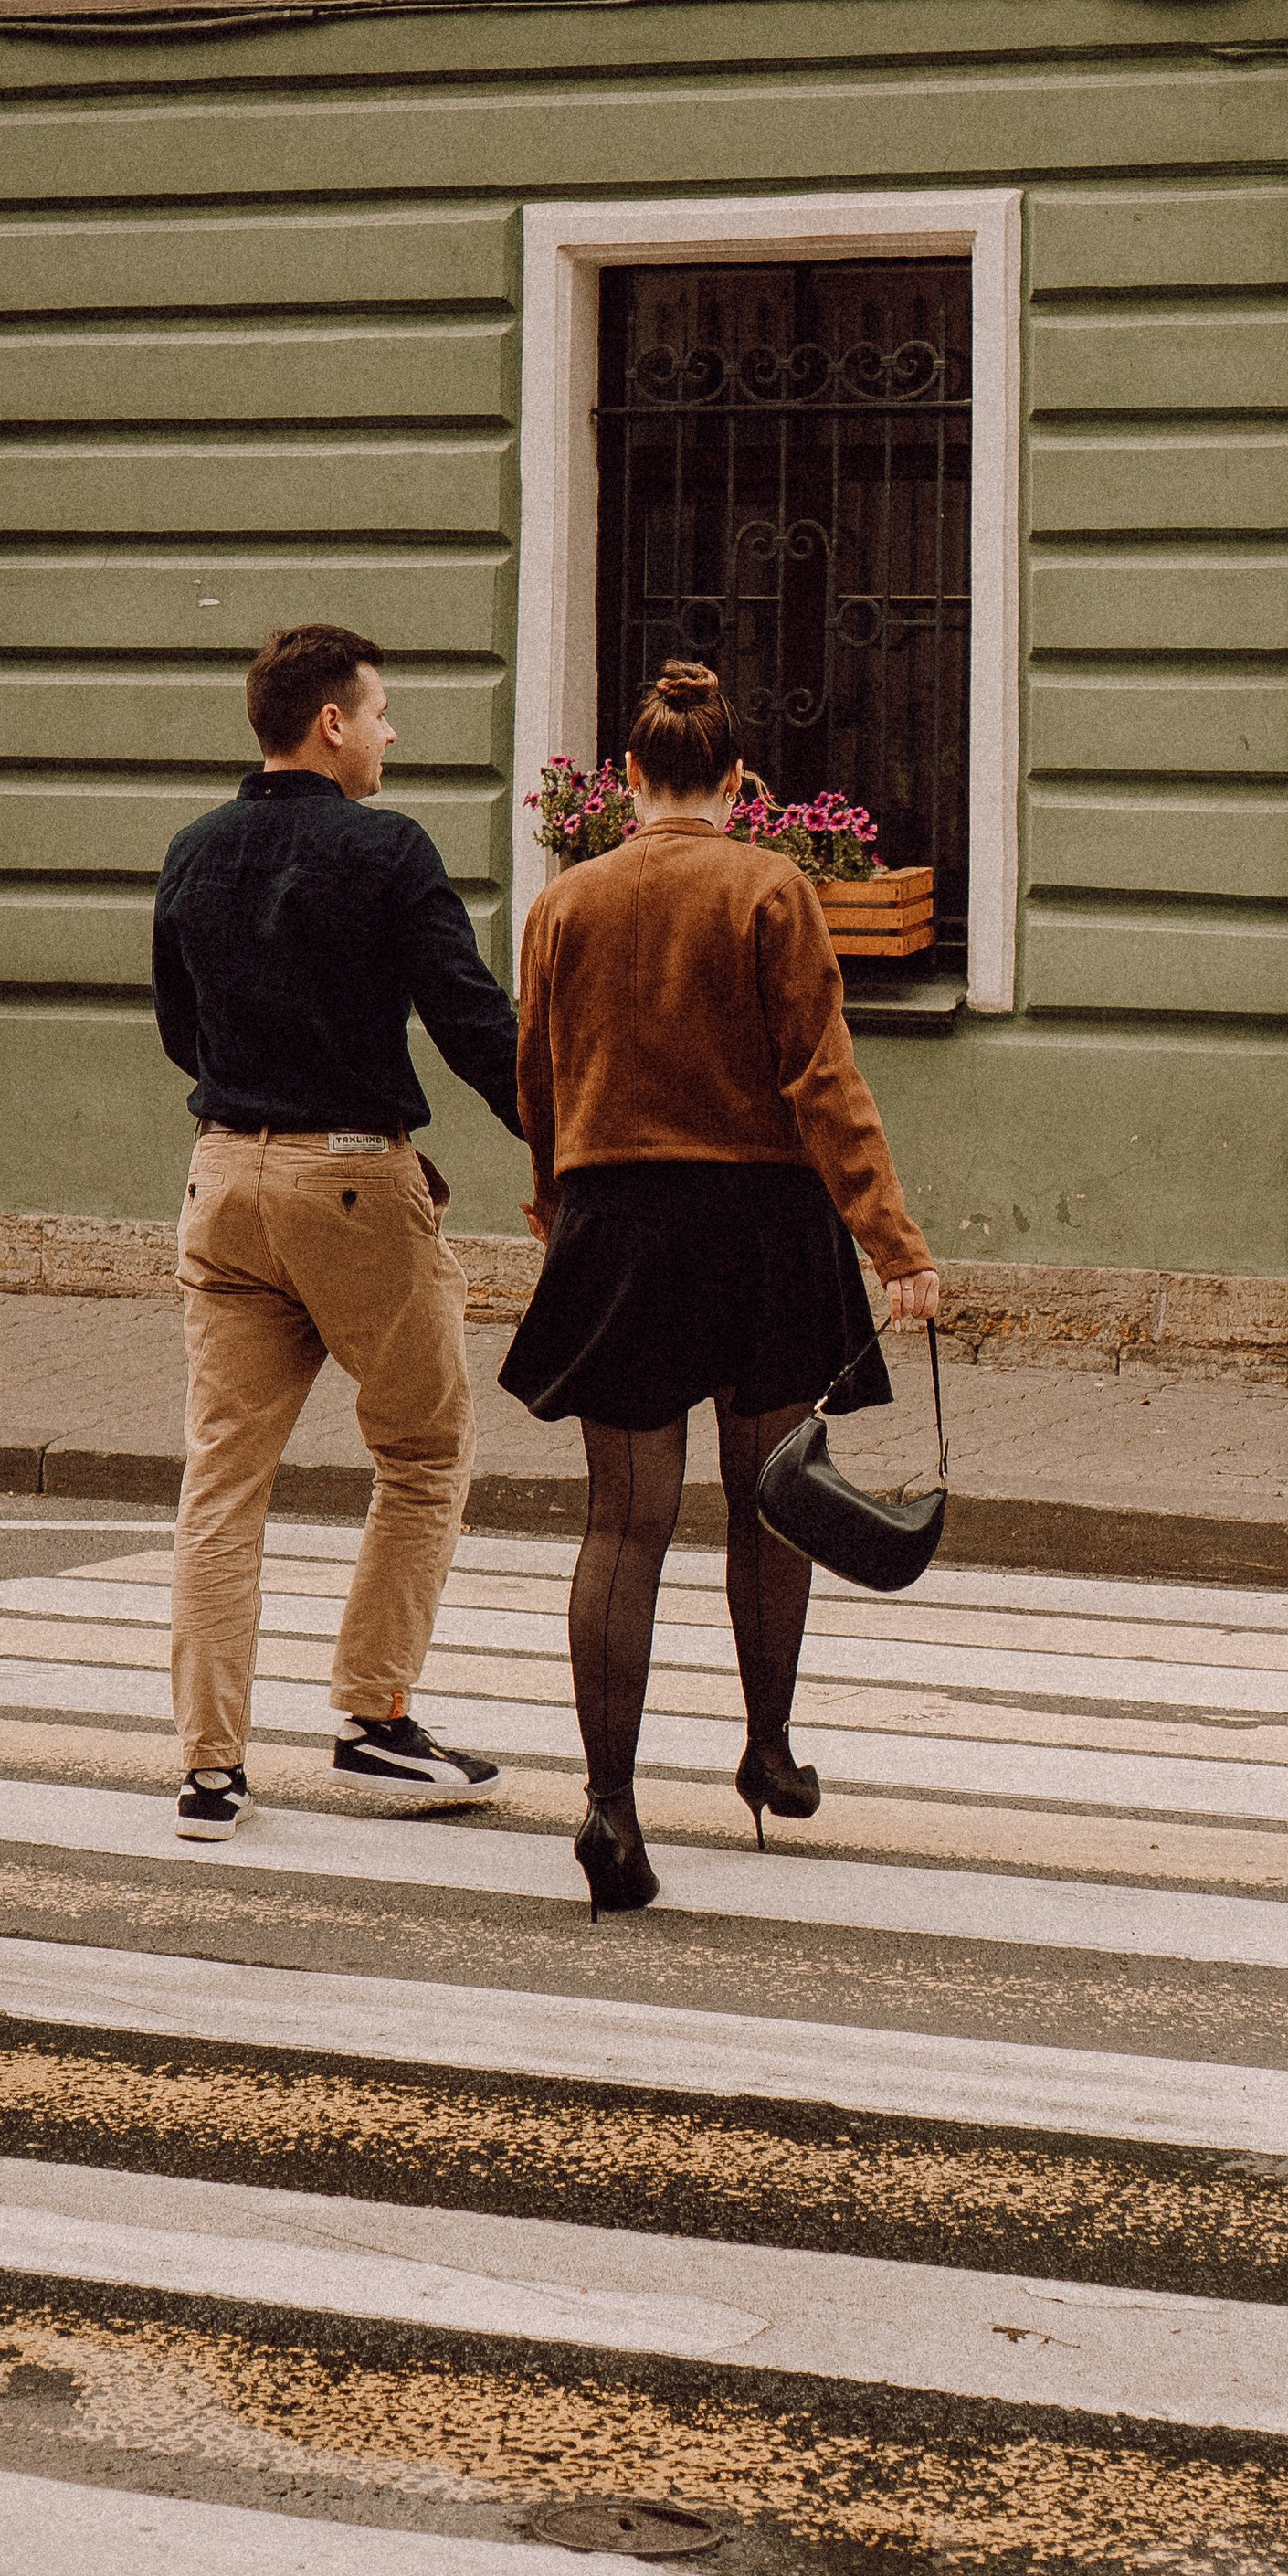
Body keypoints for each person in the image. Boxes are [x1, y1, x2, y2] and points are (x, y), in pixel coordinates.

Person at [502, 660, 942, 1916]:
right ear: (740, 782)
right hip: (763, 1226)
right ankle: (766, 1752)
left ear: (626, 781)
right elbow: (823, 1083)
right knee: (770, 1502)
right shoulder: (771, 886)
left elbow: (538, 1076)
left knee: (622, 1525)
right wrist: (894, 1243)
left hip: (621, 1223)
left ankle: (609, 1807)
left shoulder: (565, 905)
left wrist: (554, 1202)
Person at [152, 622, 527, 1842]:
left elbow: (181, 1031)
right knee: (423, 1452)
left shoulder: (193, 851)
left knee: (223, 1482)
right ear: (330, 723)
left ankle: (211, 1771)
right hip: (353, 1181)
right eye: (379, 711)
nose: (390, 732)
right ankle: (376, 1721)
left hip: (222, 1182)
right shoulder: (385, 851)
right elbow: (473, 1024)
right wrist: (570, 1149)